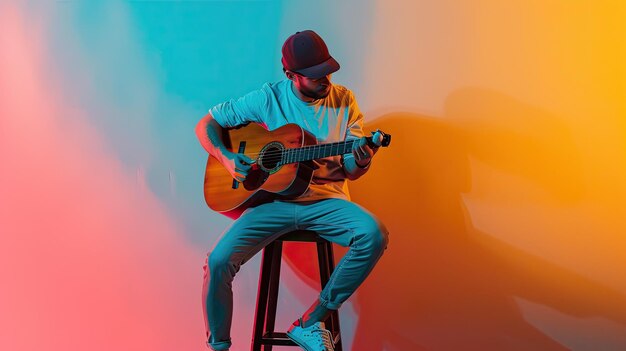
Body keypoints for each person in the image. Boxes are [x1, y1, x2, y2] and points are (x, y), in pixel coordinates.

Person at [195, 30, 389, 351]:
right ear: (290, 75)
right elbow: (206, 126)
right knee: (217, 262)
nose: (324, 79)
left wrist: (362, 160)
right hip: (274, 203)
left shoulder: (344, 100)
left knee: (373, 234)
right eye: (314, 76)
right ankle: (219, 346)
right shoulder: (268, 98)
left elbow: (351, 172)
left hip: (326, 201)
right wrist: (228, 159)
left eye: (326, 70)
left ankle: (310, 322)